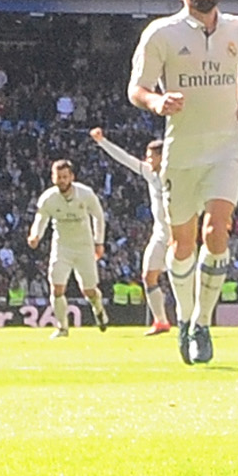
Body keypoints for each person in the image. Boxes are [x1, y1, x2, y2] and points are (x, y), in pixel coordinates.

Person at [127, 0, 238, 365]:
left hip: (227, 146)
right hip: (182, 151)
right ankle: (184, 319)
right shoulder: (161, 34)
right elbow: (137, 87)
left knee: (217, 230)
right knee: (182, 244)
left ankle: (202, 323)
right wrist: (157, 101)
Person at [88, 128, 175, 335]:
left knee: (184, 279)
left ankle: (194, 321)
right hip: (161, 234)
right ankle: (161, 321)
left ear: (162, 156)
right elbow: (124, 159)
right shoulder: (148, 172)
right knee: (148, 275)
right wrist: (102, 142)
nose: (147, 159)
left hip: (181, 234)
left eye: (150, 155)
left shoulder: (177, 172)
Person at [26, 159, 107, 337]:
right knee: (56, 287)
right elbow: (41, 219)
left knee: (89, 290)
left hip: (84, 247)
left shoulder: (85, 194)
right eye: (58, 177)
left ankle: (99, 309)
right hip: (61, 246)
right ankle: (62, 327)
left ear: (71, 177)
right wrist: (35, 235)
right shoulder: (48, 198)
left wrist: (98, 242)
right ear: (53, 178)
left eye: (65, 176)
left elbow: (98, 216)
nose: (62, 180)